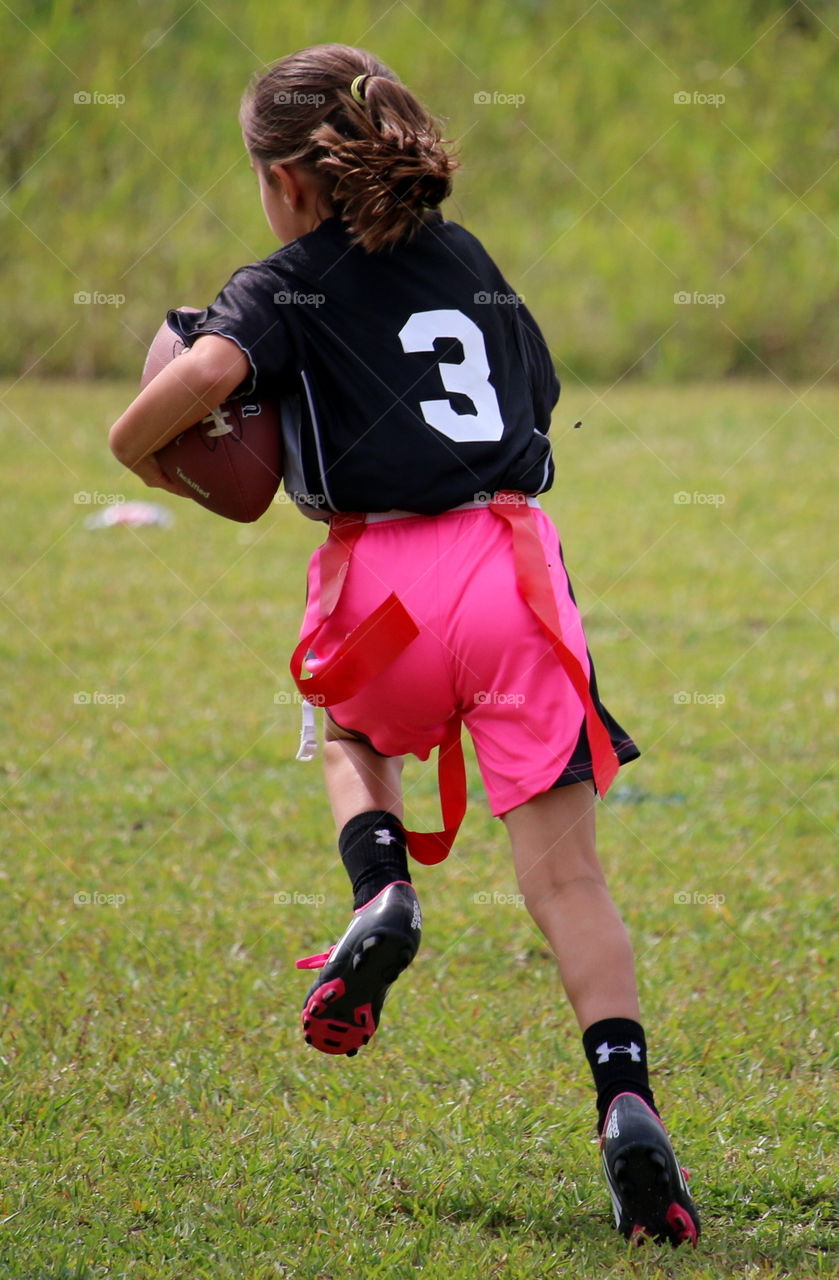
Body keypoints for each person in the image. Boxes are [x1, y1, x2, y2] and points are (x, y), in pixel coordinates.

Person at [108, 43, 700, 1248]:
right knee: (567, 877)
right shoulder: (467, 257)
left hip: (383, 575)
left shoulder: (280, 282)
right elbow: (527, 396)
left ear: (284, 182)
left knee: (350, 735)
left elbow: (216, 371)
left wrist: (137, 443)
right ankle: (624, 1095)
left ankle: (380, 888)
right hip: (511, 564)